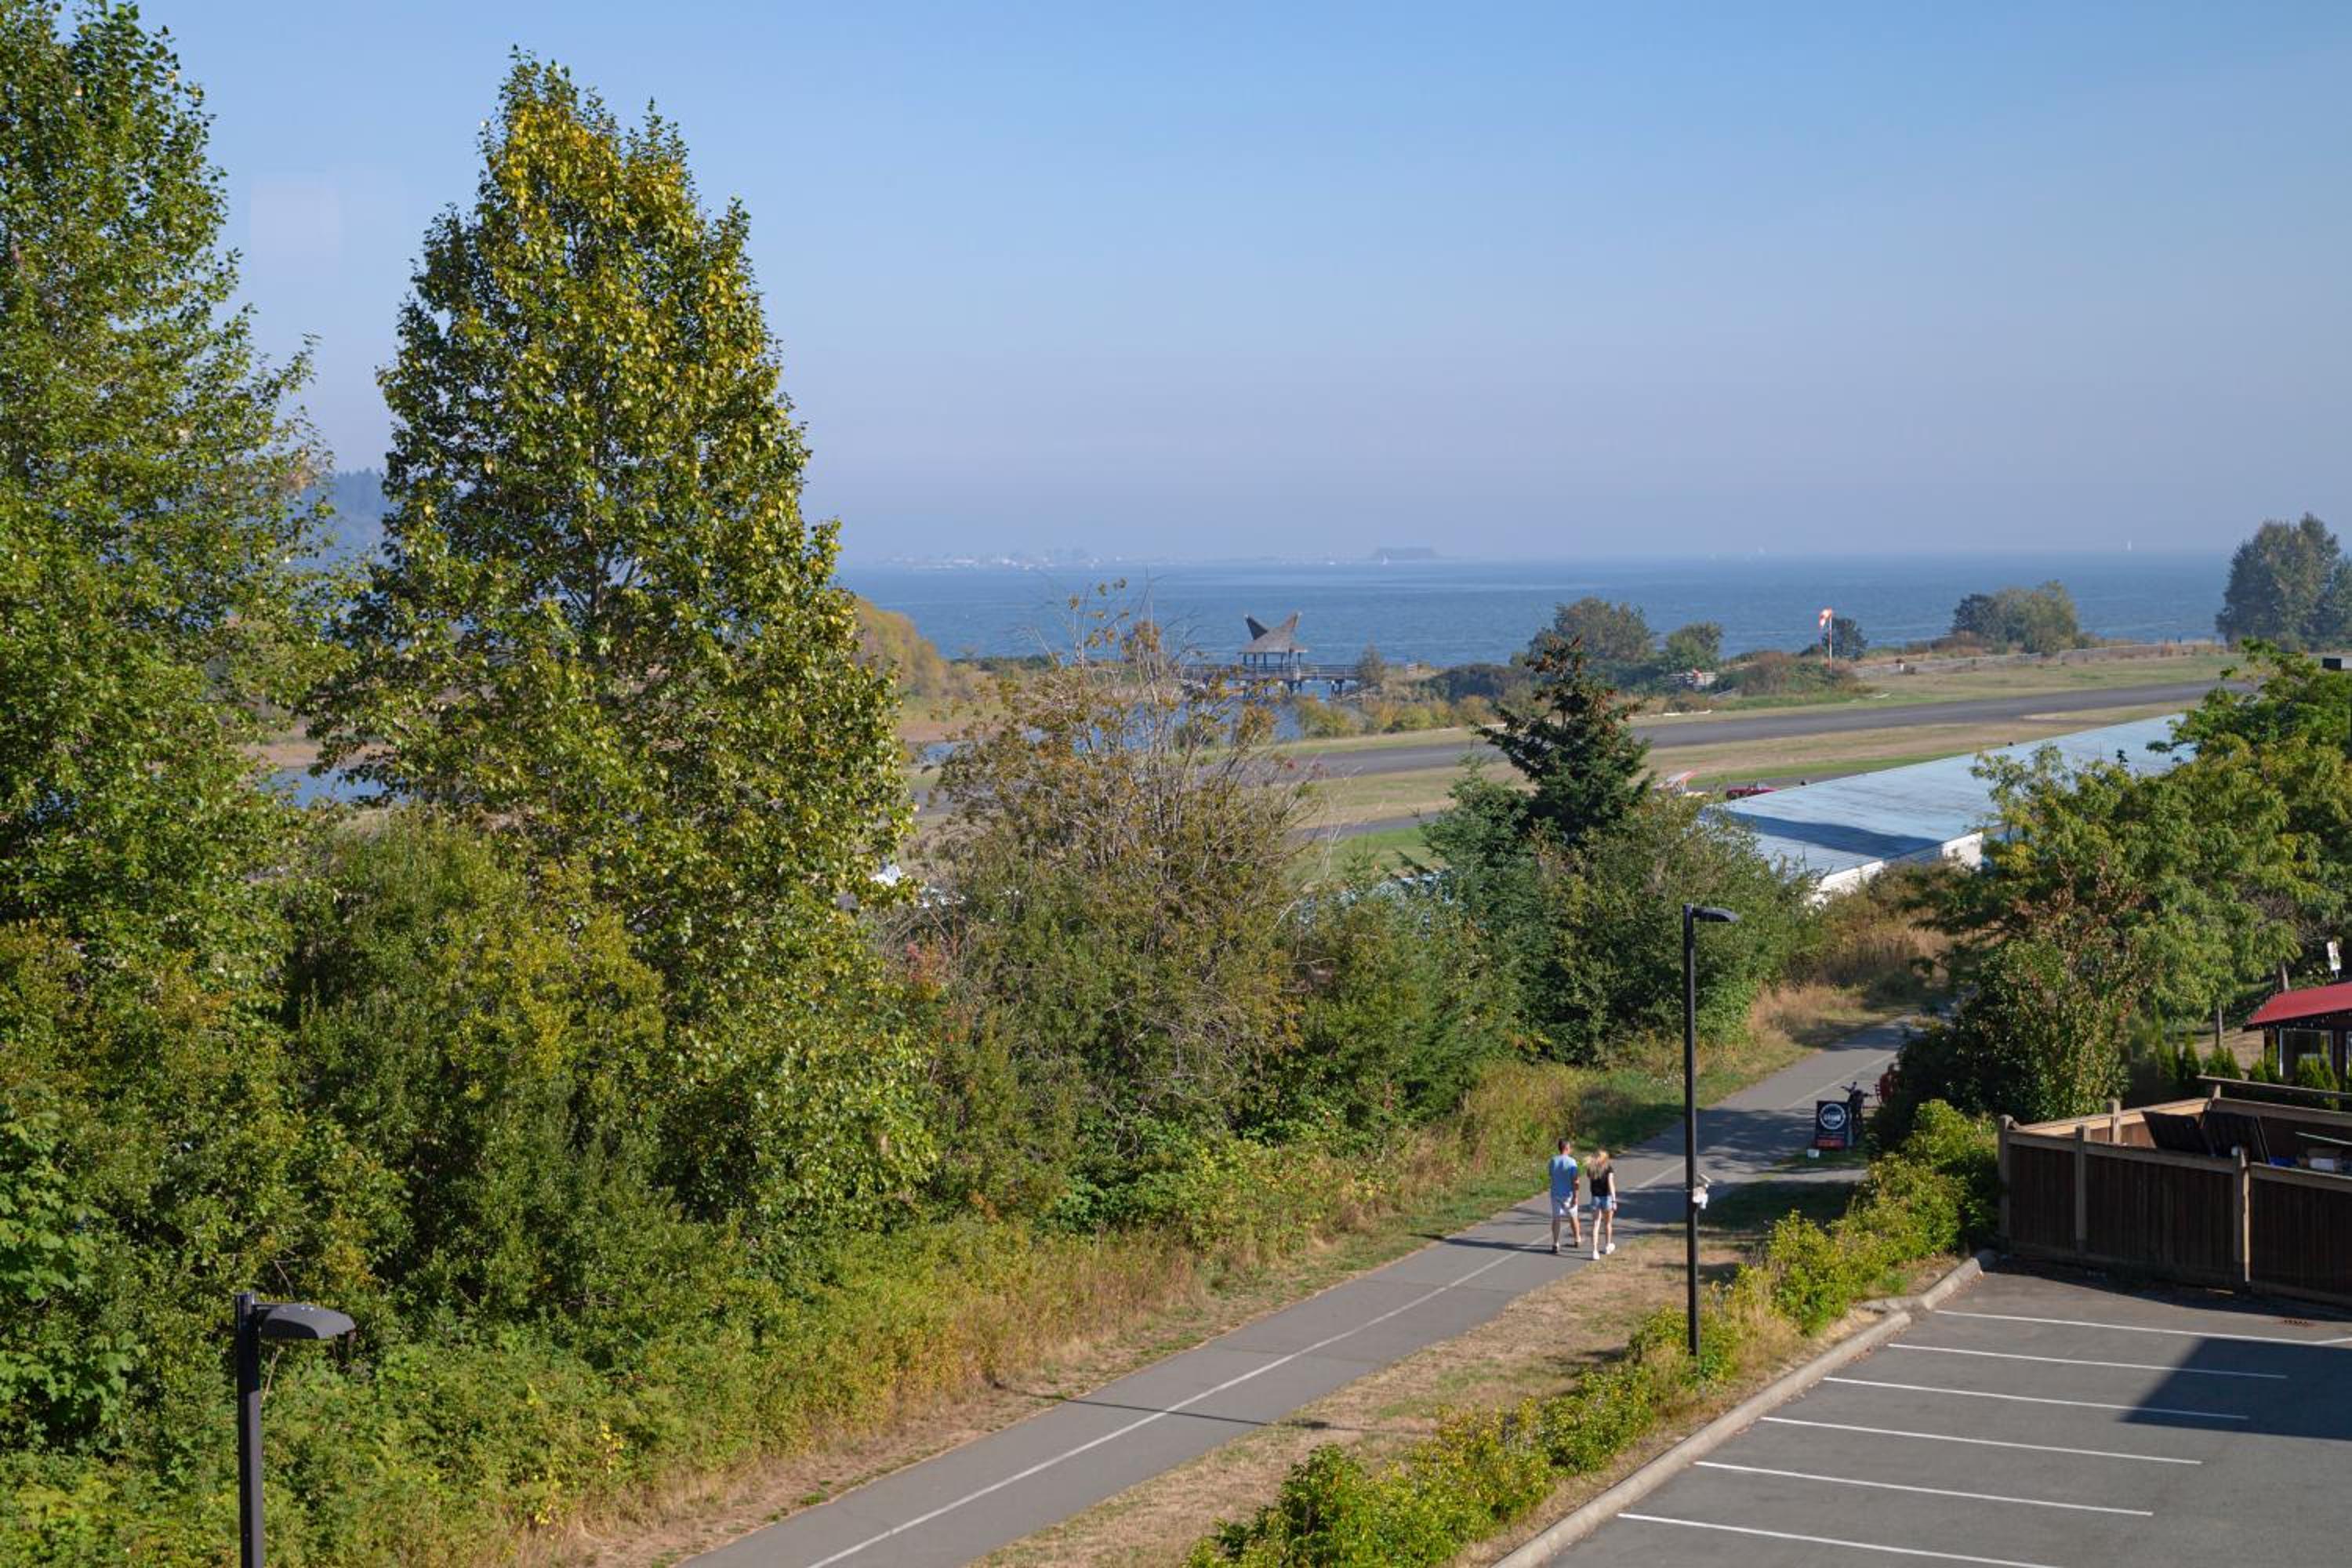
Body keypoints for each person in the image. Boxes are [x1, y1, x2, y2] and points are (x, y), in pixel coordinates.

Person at [1547, 1138, 1583, 1255]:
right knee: (1573, 1217)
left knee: (1556, 1219)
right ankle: (1577, 1239)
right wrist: (1576, 1196)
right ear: (1567, 1148)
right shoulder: (1572, 1162)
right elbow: (1576, 1180)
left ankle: (1556, 1243)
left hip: (1555, 1194)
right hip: (1568, 1194)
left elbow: (1551, 1175)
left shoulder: (1553, 1161)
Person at [1587, 1148, 1617, 1258]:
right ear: (1605, 1159)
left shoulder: (1591, 1169)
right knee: (1608, 1223)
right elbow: (1611, 1184)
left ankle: (1594, 1251)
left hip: (1595, 1198)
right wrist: (1614, 1200)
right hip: (1607, 1198)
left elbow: (1590, 1178)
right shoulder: (1608, 1169)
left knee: (1596, 1224)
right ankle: (1607, 1246)